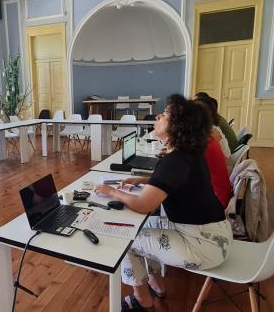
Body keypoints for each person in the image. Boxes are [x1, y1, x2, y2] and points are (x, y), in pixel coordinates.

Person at [94, 94, 231, 311]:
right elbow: (177, 181)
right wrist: (145, 180)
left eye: (165, 114)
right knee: (149, 225)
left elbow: (143, 205)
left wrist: (111, 191)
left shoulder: (175, 160)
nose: (158, 116)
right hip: (214, 237)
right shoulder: (188, 153)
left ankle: (141, 300)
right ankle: (156, 284)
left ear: (178, 126)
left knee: (125, 238)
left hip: (202, 247)